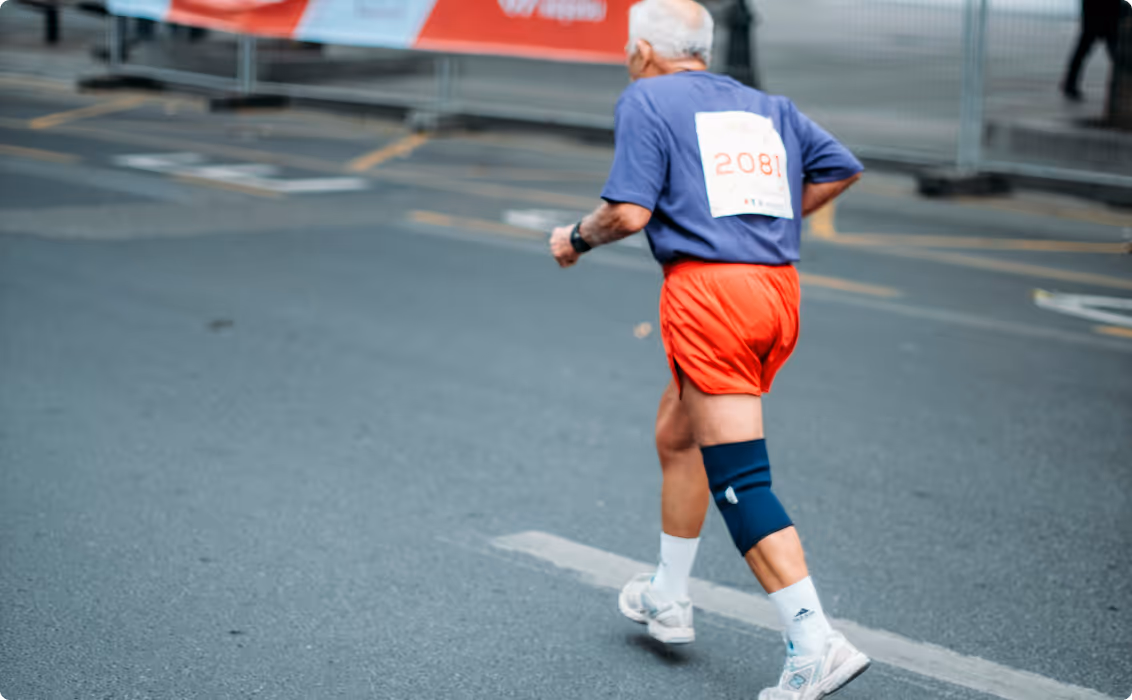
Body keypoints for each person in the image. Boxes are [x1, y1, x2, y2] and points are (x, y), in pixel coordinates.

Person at [548, 1, 868, 698]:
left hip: (711, 298)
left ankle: (815, 641)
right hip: (774, 290)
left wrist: (574, 238)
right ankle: (667, 594)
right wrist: (759, 227)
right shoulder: (766, 105)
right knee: (679, 435)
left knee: (741, 480)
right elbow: (840, 168)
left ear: (643, 51)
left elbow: (627, 212)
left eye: (628, 48)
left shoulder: (646, 98)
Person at [1061, 0, 1121, 101]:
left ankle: (1069, 84)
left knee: (1081, 54)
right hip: (1105, 16)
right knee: (1117, 55)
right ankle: (1069, 84)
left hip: (1096, 17)